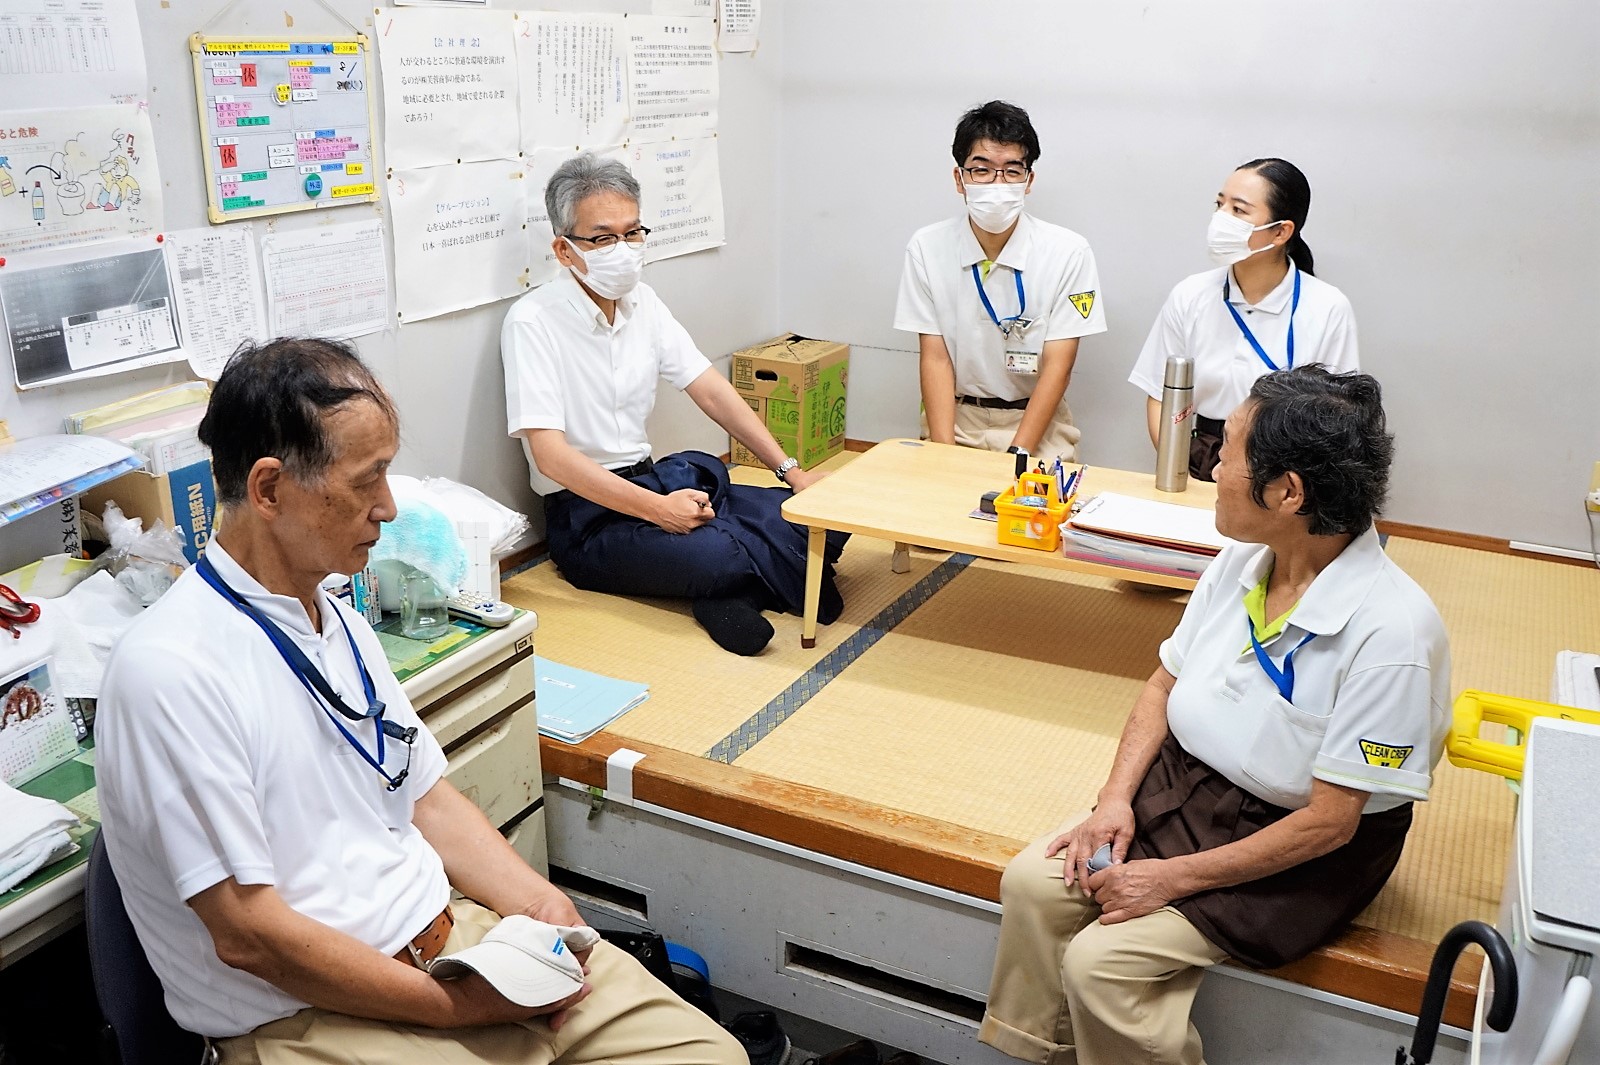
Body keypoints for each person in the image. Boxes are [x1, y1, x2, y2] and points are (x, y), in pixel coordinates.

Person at [96, 339, 744, 1065]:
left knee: (708, 1054)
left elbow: (424, 794)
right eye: (368, 479)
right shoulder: (171, 671)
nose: (389, 506)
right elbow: (250, 935)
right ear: (270, 489)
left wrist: (539, 905)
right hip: (315, 1015)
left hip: (458, 948)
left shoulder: (330, 606)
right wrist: (455, 1008)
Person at [979, 367, 1449, 1065]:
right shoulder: (1243, 559)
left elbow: (1331, 820)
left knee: (1102, 963)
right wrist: (1113, 800)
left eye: (1227, 452)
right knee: (1031, 885)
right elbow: (1162, 684)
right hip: (1184, 788)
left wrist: (1169, 878)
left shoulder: (1395, 633)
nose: (1215, 466)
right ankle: (1037, 1053)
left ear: (1288, 491)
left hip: (1298, 849)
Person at [503, 153, 847, 657]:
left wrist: (792, 472)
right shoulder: (532, 321)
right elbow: (552, 458)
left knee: (827, 516)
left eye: (632, 232)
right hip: (588, 517)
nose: (622, 250)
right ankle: (727, 585)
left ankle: (728, 593)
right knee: (717, 552)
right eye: (602, 238)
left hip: (652, 480)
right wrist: (658, 511)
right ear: (564, 248)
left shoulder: (645, 302)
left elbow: (710, 389)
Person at [895, 100, 1106, 461]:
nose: (997, 183)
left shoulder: (1069, 251)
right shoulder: (927, 247)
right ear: (959, 179)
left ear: (1029, 180)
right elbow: (935, 359)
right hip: (958, 420)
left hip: (1040, 426)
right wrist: (944, 454)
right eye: (981, 170)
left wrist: (1018, 452)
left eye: (1011, 171)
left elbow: (1059, 364)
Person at [1129, 158, 1359, 481]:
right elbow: (1159, 396)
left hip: (1285, 471)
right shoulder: (1190, 294)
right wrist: (1177, 468)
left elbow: (1336, 417)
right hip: (1202, 459)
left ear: (1281, 232)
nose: (1220, 219)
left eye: (1238, 210)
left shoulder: (1328, 307)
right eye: (1219, 204)